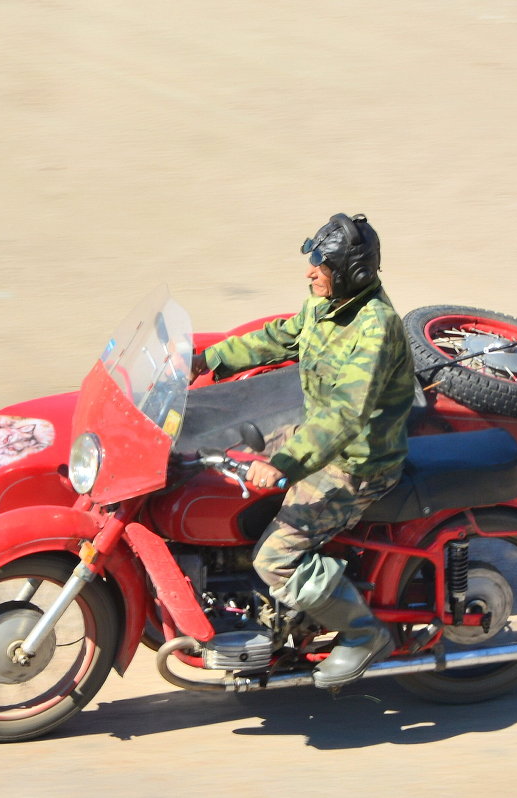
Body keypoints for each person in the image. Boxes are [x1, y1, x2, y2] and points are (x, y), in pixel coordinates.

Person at [191, 213, 414, 689]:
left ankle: (361, 632)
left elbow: (346, 414)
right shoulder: (324, 304)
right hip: (319, 436)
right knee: (204, 465)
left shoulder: (375, 327)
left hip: (358, 461)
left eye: (322, 265)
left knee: (277, 557)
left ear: (351, 272)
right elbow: (280, 336)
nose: (310, 272)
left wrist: (284, 464)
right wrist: (207, 359)